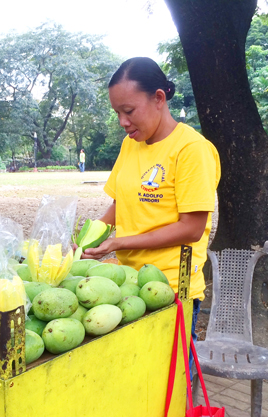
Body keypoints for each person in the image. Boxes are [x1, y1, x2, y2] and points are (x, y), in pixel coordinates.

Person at [83, 57, 220, 340]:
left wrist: (119, 242)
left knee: (170, 379)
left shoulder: (192, 149)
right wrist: (89, 239)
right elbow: (120, 205)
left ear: (159, 98)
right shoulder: (130, 145)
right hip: (127, 284)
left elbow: (191, 228)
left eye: (129, 110)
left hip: (169, 288)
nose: (123, 122)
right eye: (117, 113)